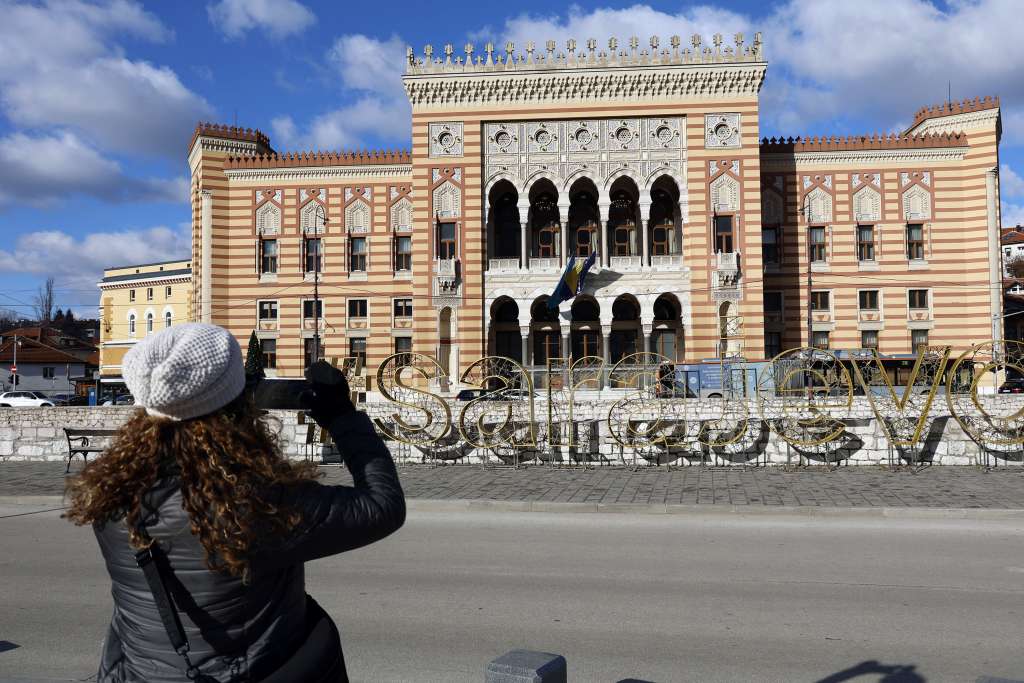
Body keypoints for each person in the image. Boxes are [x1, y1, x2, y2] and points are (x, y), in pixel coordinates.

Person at [65, 323, 405, 682]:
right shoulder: (253, 503)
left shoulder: (112, 492)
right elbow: (382, 505)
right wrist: (342, 417)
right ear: (233, 406)